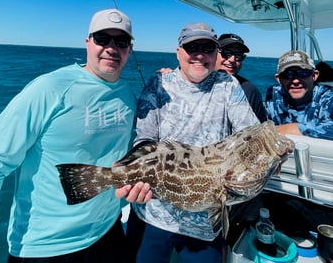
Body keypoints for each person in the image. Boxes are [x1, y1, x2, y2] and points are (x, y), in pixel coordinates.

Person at [0, 8, 152, 263]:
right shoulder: (50, 88)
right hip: (45, 245)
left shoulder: (127, 95)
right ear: (88, 42)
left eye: (121, 42)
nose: (111, 47)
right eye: (102, 39)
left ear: (130, 49)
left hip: (108, 231)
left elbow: (131, 155)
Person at [126, 22, 260, 263]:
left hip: (205, 223)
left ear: (216, 54)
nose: (199, 55)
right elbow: (144, 138)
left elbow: (250, 134)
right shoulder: (158, 83)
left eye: (207, 48)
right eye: (191, 47)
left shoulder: (228, 85)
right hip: (153, 214)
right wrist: (136, 175)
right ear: (178, 52)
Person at [265, 49, 333, 140]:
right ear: (278, 79)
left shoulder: (329, 96)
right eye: (287, 74)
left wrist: (291, 128)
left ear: (314, 75)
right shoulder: (273, 93)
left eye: (303, 73)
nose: (296, 81)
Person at [216, 33, 267, 122]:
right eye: (226, 53)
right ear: (214, 53)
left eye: (238, 56)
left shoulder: (250, 91)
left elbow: (260, 129)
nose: (232, 59)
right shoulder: (195, 84)